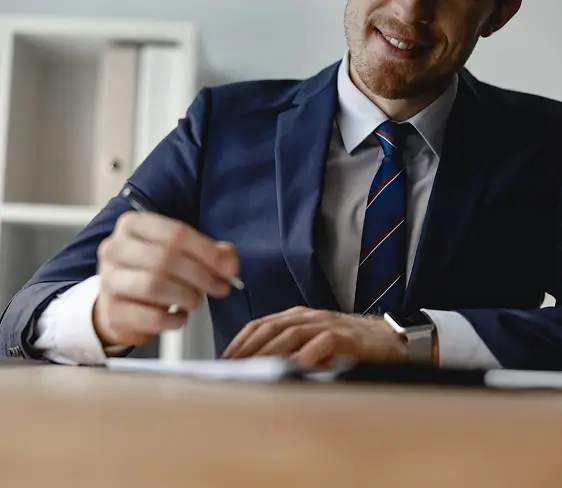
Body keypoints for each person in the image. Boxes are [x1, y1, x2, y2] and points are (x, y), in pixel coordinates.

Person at [1, 0, 560, 370]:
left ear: (500, 11)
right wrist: (103, 312)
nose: (410, 8)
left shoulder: (547, 143)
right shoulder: (222, 123)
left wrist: (414, 339)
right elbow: (23, 314)